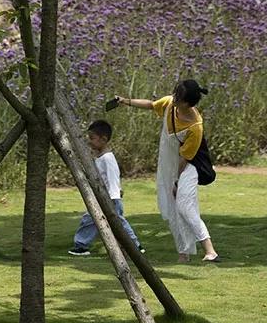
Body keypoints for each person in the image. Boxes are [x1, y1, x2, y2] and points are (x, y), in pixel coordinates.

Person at [116, 80, 218, 262]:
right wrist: (125, 101)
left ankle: (210, 250)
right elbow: (151, 105)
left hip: (190, 166)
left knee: (184, 205)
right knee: (173, 208)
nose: (174, 98)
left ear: (188, 103)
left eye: (179, 97)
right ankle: (183, 253)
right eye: (175, 94)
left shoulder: (195, 127)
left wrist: (176, 182)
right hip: (170, 164)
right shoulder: (170, 104)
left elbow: (185, 158)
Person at [68, 118, 144, 257]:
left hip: (109, 198)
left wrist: (114, 194)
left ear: (103, 139)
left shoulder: (107, 158)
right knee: (90, 220)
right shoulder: (101, 157)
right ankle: (81, 245)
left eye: (92, 138)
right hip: (103, 196)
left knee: (118, 223)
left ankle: (134, 245)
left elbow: (112, 177)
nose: (89, 141)